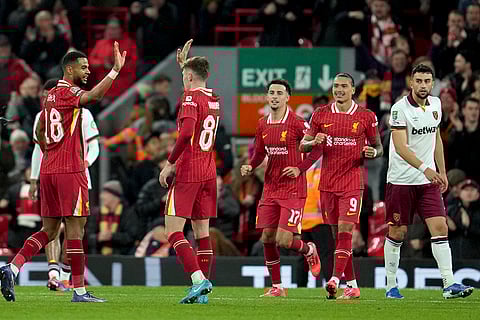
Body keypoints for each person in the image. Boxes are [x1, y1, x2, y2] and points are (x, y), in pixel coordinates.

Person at [0, 41, 126, 303]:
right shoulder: (70, 93)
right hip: (70, 171)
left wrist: (52, 153)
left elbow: (38, 133)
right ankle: (79, 291)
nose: (88, 71)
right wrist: (114, 71)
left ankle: (10, 268)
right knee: (75, 229)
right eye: (83, 67)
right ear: (69, 70)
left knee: (48, 230)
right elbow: (94, 97)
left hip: (49, 171)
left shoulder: (49, 99)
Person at [383, 64, 473, 299]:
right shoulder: (399, 109)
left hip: (427, 182)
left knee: (440, 227)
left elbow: (436, 139)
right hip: (401, 180)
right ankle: (391, 286)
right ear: (411, 82)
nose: (423, 85)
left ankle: (449, 284)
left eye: (427, 81)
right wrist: (426, 169)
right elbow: (401, 147)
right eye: (419, 81)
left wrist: (442, 172)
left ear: (432, 84)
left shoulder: (436, 104)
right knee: (398, 232)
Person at [299, 72, 383, 299]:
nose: (339, 90)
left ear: (353, 90)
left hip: (352, 183)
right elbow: (302, 147)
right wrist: (312, 142)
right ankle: (353, 286)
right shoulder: (320, 115)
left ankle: (335, 279)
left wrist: (372, 152)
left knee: (346, 230)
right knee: (338, 238)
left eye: (344, 86)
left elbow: (379, 147)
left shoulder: (366, 116)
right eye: (336, 86)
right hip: (327, 185)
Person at [240, 79, 321, 297]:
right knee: (267, 238)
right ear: (267, 97)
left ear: (287, 97)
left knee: (283, 240)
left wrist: (299, 168)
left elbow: (317, 148)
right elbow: (258, 153)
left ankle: (308, 249)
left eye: (279, 93)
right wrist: (250, 165)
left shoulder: (297, 122)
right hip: (271, 188)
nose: (275, 96)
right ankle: (277, 287)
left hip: (293, 189)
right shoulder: (262, 124)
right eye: (271, 93)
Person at [28, 78, 100, 291]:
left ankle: (66, 275)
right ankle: (55, 274)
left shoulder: (83, 113)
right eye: (44, 96)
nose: (47, 99)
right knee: (54, 226)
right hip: (58, 174)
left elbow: (93, 144)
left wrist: (86, 162)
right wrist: (33, 178)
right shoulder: (41, 116)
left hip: (76, 174)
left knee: (74, 228)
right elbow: (38, 150)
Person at [158, 39, 216, 304]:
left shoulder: (190, 99)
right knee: (202, 233)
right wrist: (186, 67)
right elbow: (194, 99)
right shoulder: (214, 100)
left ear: (189, 77)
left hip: (189, 170)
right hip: (208, 171)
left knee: (173, 231)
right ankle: (202, 294)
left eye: (184, 77)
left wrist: (170, 163)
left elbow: (187, 132)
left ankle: (198, 280)